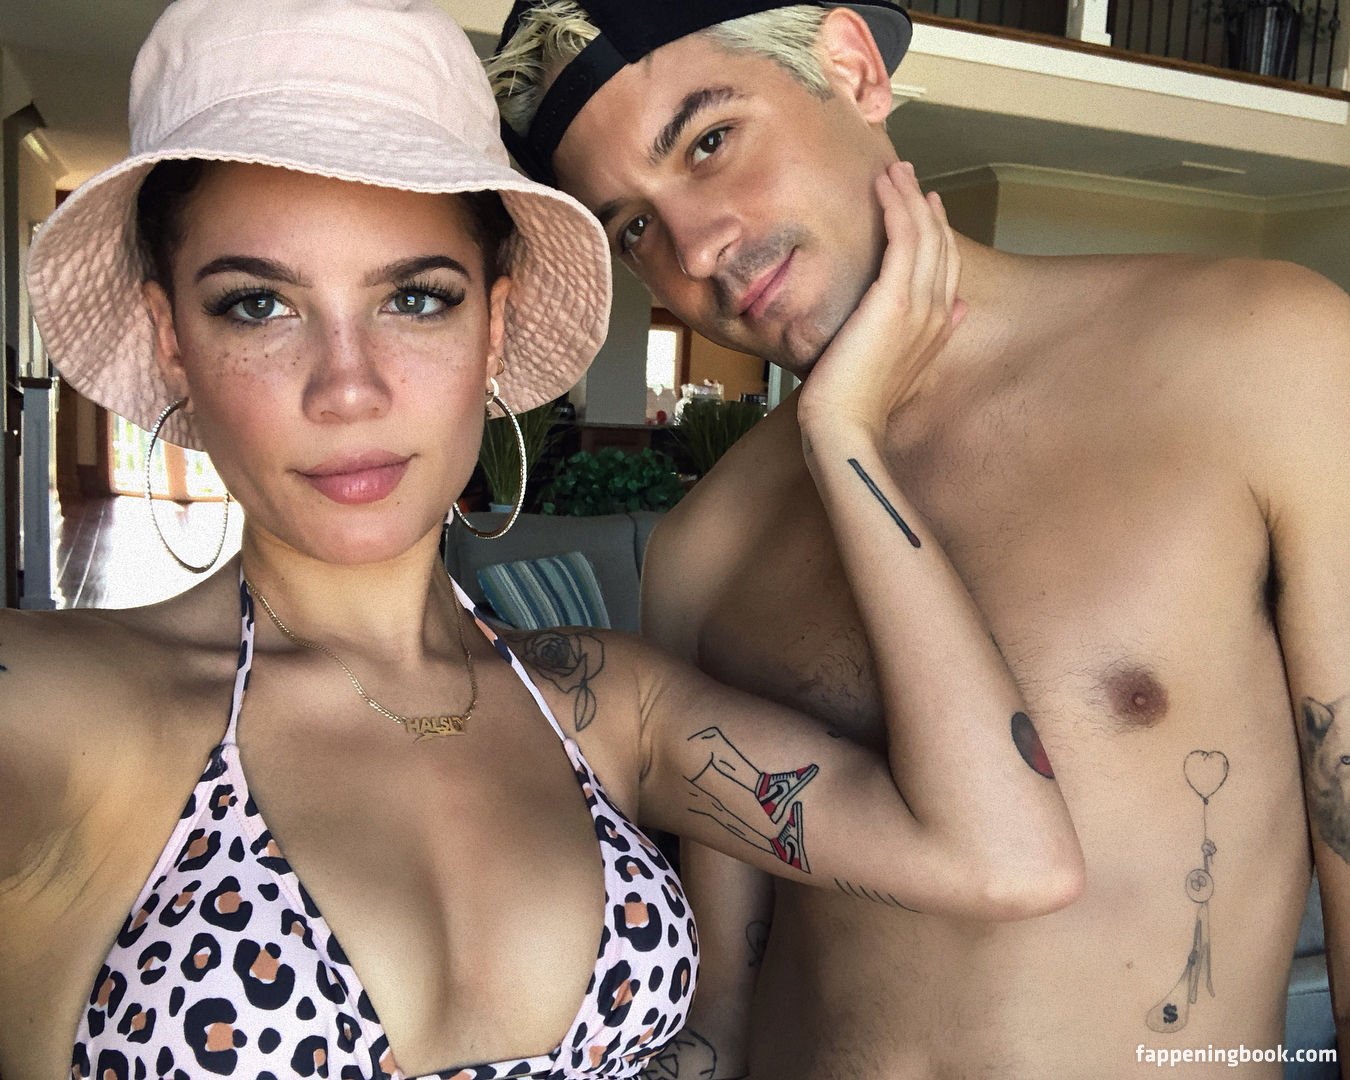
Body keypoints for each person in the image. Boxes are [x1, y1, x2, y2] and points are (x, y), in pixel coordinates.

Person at [0, 1, 1085, 1078]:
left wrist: (840, 434)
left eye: (416, 299)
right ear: (170, 340)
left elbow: (1003, 859)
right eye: (256, 306)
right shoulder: (56, 710)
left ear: (496, 326)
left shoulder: (610, 709)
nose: (348, 388)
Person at [488, 2, 1350, 1077]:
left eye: (710, 141)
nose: (698, 248)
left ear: (853, 70)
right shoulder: (706, 545)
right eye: (633, 228)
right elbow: (726, 1000)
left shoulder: (1262, 357)